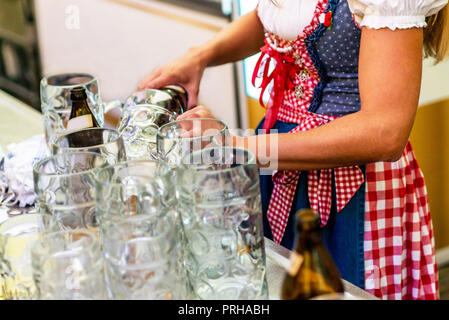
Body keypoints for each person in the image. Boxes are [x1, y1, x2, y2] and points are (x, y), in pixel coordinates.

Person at [139, 0, 449, 300]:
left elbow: (384, 133)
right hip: (280, 156)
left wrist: (234, 145)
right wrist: (201, 55)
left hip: (353, 183)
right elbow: (275, 16)